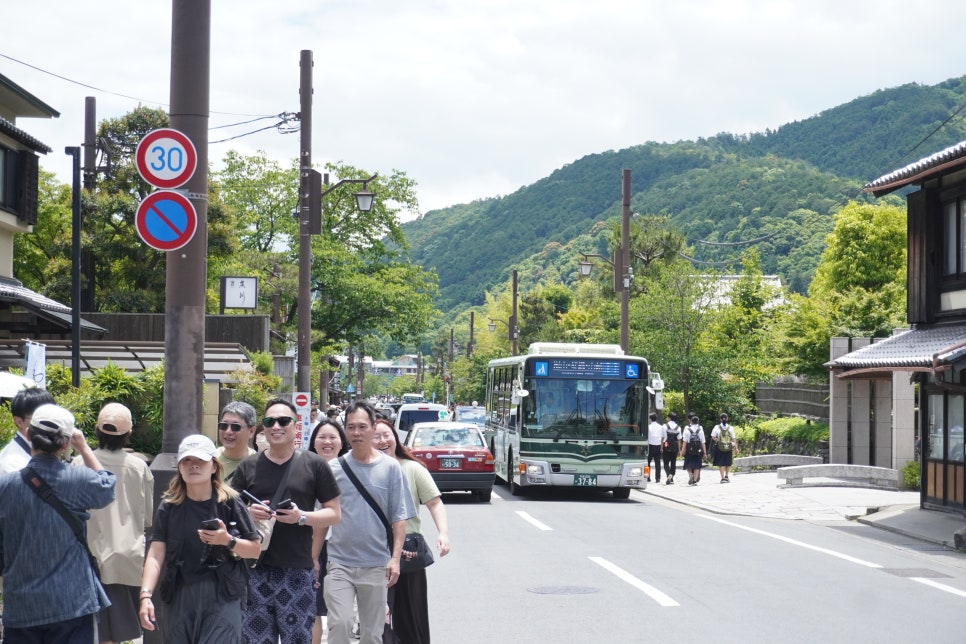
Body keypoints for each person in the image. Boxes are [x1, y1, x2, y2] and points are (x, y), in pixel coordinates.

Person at [0, 403, 116, 642]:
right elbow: (108, 487)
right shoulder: (76, 479)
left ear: (29, 435)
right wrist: (84, 448)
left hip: (21, 605)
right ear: (65, 444)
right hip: (71, 601)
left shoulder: (5, 486)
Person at [230, 397, 342, 644]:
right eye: (270, 421)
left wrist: (301, 517)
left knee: (297, 639)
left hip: (297, 569)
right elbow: (228, 510)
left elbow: (334, 513)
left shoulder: (314, 465)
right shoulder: (248, 466)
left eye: (283, 421)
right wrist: (248, 513)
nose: (276, 426)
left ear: (296, 425)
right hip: (255, 569)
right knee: (255, 640)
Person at [139, 434, 262, 643]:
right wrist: (145, 596)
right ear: (179, 467)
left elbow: (254, 549)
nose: (193, 466)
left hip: (222, 593)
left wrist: (227, 540)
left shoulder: (230, 502)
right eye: (186, 460)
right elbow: (155, 554)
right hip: (180, 594)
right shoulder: (169, 506)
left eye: (200, 461)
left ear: (214, 466)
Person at [325, 402, 415, 644]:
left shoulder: (391, 468)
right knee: (340, 625)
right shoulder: (333, 469)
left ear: (373, 428)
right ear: (345, 430)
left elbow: (399, 517)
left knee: (372, 634)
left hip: (376, 564)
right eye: (351, 427)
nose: (356, 432)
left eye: (362, 426)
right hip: (339, 562)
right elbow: (322, 518)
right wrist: (314, 557)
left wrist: (395, 558)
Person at [74, 402, 154, 644]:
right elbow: (148, 517)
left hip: (87, 559)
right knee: (114, 635)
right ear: (128, 434)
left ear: (97, 431)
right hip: (125, 559)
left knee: (89, 633)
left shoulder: (78, 464)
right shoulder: (139, 467)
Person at [373, 418, 450, 644]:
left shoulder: (412, 468)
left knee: (412, 617)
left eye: (386, 435)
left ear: (395, 438)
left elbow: (434, 503)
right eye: (376, 436)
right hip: (372, 549)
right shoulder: (360, 469)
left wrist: (443, 533)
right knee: (377, 617)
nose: (382, 440)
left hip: (407, 550)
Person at [307, 419, 350, 644]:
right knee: (311, 608)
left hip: (343, 547)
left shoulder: (352, 470)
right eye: (321, 437)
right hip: (309, 546)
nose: (327, 442)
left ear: (342, 442)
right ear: (313, 442)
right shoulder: (302, 468)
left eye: (333, 437)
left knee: (340, 612)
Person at [0, 386, 55, 474]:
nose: (50, 423)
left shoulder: (47, 447)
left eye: (52, 417)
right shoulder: (13, 464)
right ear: (19, 422)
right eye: (41, 419)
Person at [216, 401, 258, 482]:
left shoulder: (260, 465)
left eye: (235, 427)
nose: (228, 431)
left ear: (251, 431)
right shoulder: (208, 459)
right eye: (224, 425)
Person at [711, 413, 739, 483]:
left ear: (720, 419)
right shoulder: (731, 428)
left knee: (721, 463)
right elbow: (733, 438)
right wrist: (736, 448)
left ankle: (722, 478)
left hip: (720, 447)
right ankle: (727, 476)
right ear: (727, 418)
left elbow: (713, 437)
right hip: (729, 446)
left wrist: (720, 441)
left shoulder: (716, 427)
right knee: (728, 462)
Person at [682, 414, 707, 486]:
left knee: (688, 464)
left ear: (691, 422)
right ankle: (695, 481)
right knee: (697, 465)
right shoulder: (700, 430)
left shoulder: (687, 430)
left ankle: (690, 475)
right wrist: (705, 453)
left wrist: (682, 451)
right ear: (698, 422)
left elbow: (685, 442)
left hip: (689, 450)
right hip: (698, 450)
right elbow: (703, 443)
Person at [662, 412, 681, 485]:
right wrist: (679, 450)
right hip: (674, 447)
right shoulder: (678, 427)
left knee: (666, 462)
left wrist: (661, 447)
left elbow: (662, 438)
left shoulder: (664, 426)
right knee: (673, 463)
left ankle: (668, 474)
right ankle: (672, 477)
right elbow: (679, 440)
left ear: (669, 418)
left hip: (666, 445)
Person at [646, 413, 665, 483]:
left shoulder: (649, 427)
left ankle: (647, 477)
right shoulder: (661, 427)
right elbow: (663, 437)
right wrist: (662, 447)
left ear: (650, 419)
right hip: (658, 445)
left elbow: (647, 437)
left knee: (647, 463)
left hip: (650, 446)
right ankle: (658, 478)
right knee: (658, 463)